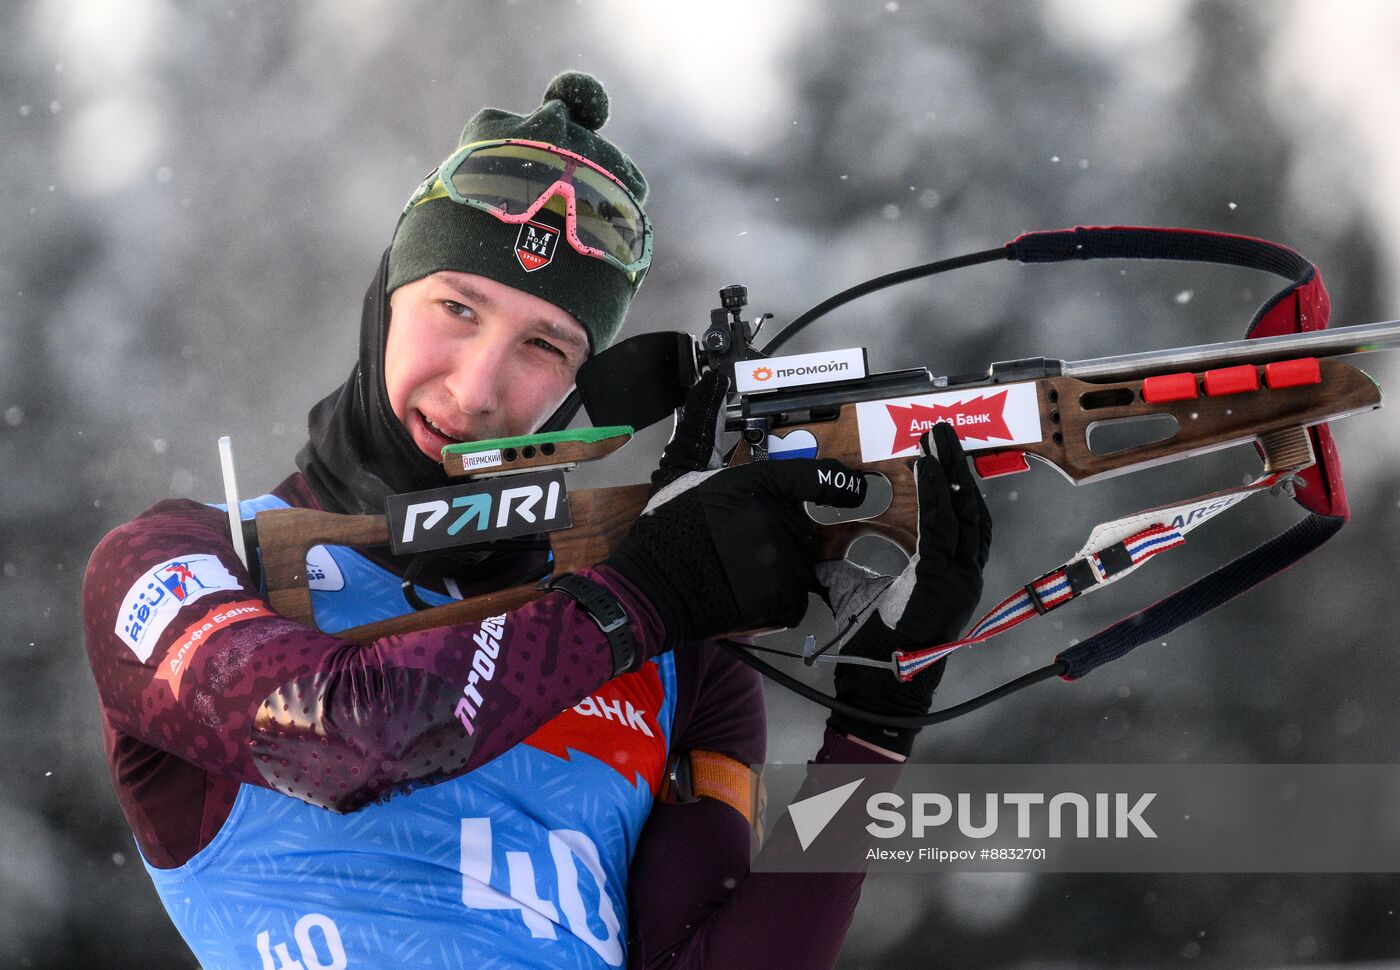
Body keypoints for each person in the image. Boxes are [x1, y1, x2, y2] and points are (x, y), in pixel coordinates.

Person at [82, 72, 990, 969]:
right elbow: (343, 740)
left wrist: (875, 727)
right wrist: (633, 601)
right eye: (456, 308)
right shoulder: (188, 561)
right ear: (385, 299)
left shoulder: (680, 663)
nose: (475, 388)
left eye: (543, 346)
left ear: (584, 388)